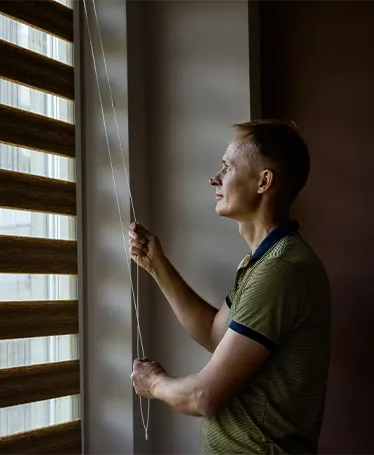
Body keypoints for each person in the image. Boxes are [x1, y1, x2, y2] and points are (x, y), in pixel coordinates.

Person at [129, 119, 331, 454]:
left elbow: (204, 396)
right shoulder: (262, 263)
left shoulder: (281, 271)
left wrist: (154, 384)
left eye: (227, 167)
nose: (215, 178)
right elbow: (213, 332)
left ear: (264, 182)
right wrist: (156, 265)